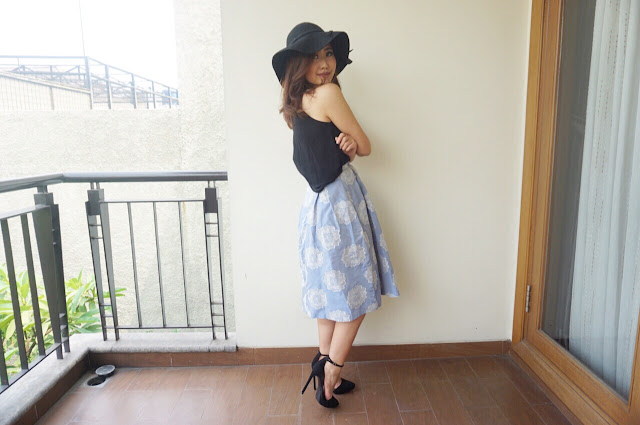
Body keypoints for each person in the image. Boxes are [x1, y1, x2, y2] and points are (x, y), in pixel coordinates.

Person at [272, 22, 400, 409]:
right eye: (314, 57)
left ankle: (324, 366)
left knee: (331, 296)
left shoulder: (298, 104)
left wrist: (347, 147)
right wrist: (354, 146)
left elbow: (332, 150)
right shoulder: (327, 94)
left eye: (328, 54)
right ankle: (332, 370)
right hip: (339, 204)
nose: (325, 63)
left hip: (316, 207)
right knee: (356, 294)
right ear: (298, 64)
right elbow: (367, 145)